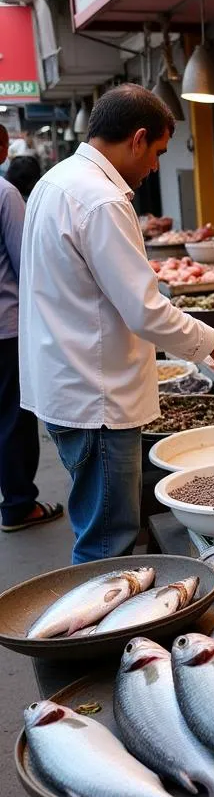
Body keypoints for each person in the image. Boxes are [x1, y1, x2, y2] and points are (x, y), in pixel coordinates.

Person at [19, 84, 214, 563]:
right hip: (95, 396)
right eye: (159, 152)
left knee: (98, 527)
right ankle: (105, 633)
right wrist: (212, 342)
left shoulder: (57, 179)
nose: (156, 167)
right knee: (108, 543)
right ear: (138, 138)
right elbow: (144, 311)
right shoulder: (102, 199)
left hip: (67, 383)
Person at [0, 126, 63, 533]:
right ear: (3, 147)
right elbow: (29, 265)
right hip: (6, 328)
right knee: (13, 420)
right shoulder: (5, 194)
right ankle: (20, 505)